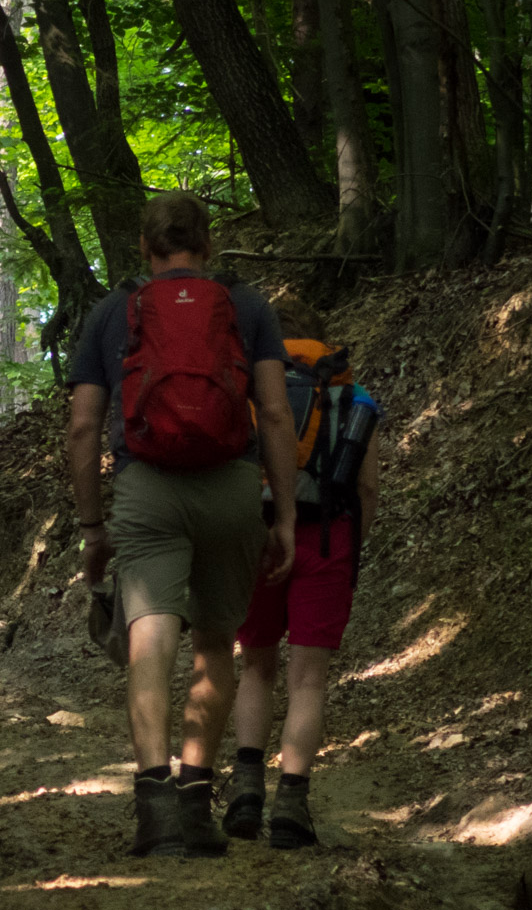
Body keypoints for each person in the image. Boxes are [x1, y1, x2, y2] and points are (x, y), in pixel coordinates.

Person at [66, 192, 300, 858]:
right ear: (209, 242)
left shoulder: (115, 312)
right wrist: (283, 515)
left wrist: (92, 526)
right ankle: (197, 806)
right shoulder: (248, 307)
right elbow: (277, 416)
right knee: (216, 644)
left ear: (145, 246)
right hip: (231, 487)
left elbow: (84, 426)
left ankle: (155, 810)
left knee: (149, 642)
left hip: (147, 490)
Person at [223, 297, 383, 848]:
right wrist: (354, 540)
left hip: (259, 536)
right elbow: (366, 485)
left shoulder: (248, 390)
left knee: (256, 667)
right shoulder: (349, 394)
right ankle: (292, 803)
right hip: (327, 536)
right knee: (308, 679)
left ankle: (245, 790)